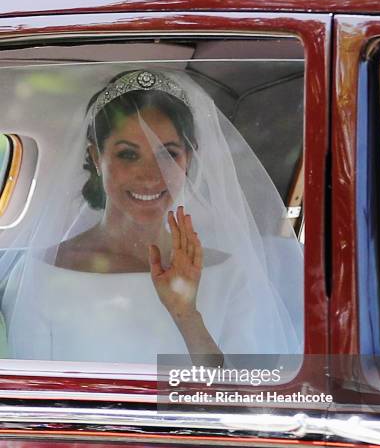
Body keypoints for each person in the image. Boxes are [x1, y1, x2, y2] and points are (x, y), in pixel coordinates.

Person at [1, 67, 303, 366]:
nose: (150, 176)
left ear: (188, 158)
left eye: (168, 154)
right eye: (128, 154)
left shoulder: (232, 276)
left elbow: (244, 400)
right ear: (96, 157)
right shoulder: (40, 275)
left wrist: (186, 315)